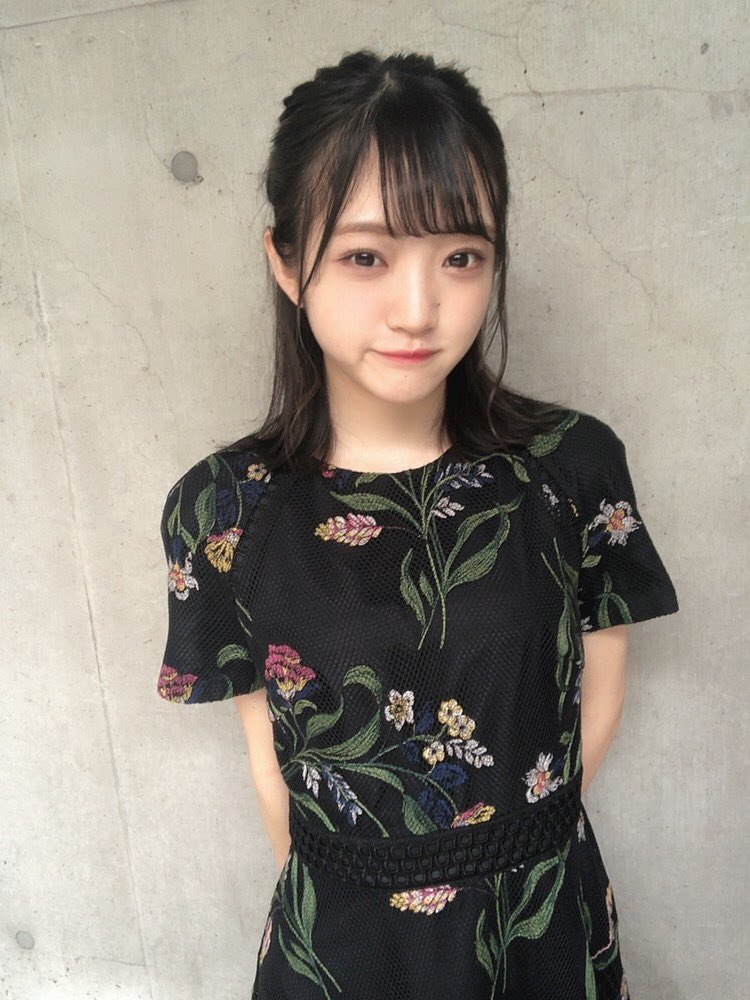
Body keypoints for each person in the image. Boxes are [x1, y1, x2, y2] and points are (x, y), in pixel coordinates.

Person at [156, 48, 679, 1000]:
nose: (418, 308)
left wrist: (507, 866)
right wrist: (363, 903)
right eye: (366, 256)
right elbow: (272, 767)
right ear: (285, 261)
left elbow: (595, 706)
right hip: (342, 944)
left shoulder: (570, 467)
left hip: (538, 925)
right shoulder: (222, 508)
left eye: (461, 257)